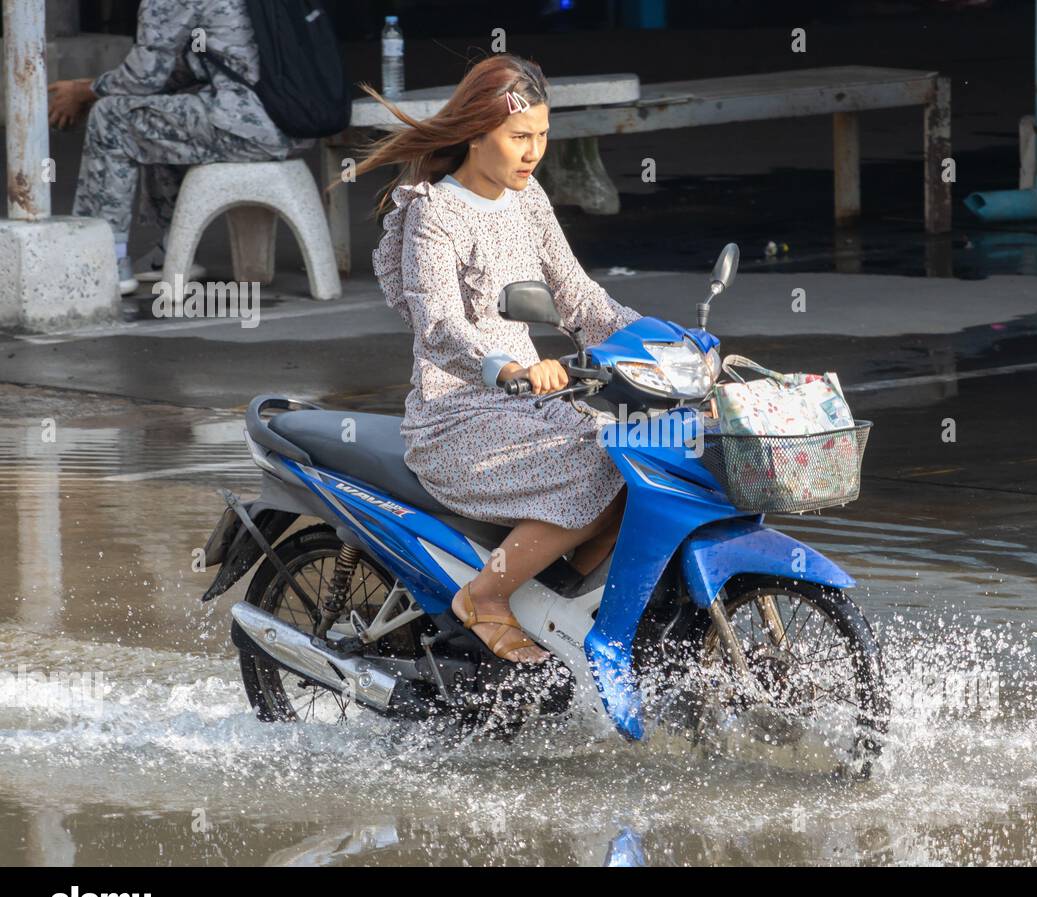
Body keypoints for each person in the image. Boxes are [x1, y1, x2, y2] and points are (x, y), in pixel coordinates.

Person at [356, 55, 638, 664]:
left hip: (532, 407)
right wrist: (506, 367)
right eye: (519, 137)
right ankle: (484, 598)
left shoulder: (528, 197)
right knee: (594, 466)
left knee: (640, 459)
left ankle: (556, 608)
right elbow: (439, 327)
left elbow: (578, 295)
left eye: (541, 135)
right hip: (455, 418)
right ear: (476, 133)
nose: (533, 151)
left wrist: (665, 343)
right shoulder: (434, 212)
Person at [47, 0, 312, 294]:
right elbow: (181, 71)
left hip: (246, 125)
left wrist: (85, 92)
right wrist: (96, 86)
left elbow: (144, 76)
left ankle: (102, 261)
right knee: (159, 110)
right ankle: (172, 250)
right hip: (292, 123)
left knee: (111, 118)